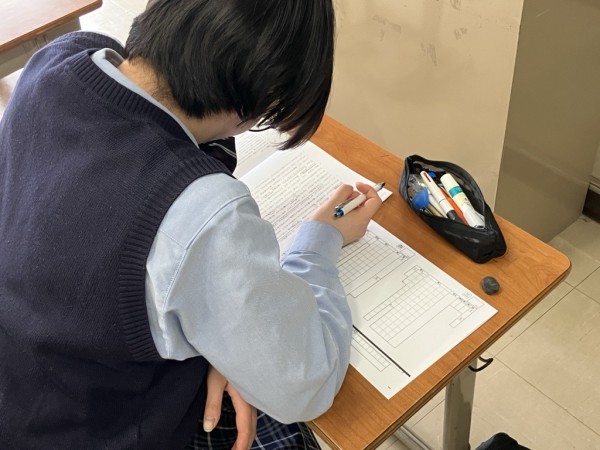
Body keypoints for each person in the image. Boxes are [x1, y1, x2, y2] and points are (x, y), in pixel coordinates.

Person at [0, 0, 382, 449]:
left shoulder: (60, 59)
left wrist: (223, 330)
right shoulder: (202, 213)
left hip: (25, 384)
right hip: (101, 427)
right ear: (267, 93)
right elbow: (304, 384)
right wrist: (319, 243)